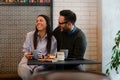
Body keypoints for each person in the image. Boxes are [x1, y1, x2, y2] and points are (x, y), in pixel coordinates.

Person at [18, 15, 57, 80]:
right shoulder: (30, 35)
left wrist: (45, 57)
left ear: (47, 23)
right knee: (26, 77)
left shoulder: (52, 39)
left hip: (42, 66)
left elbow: (52, 56)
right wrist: (27, 54)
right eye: (37, 21)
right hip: (26, 64)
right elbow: (25, 50)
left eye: (41, 20)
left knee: (37, 75)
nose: (38, 22)